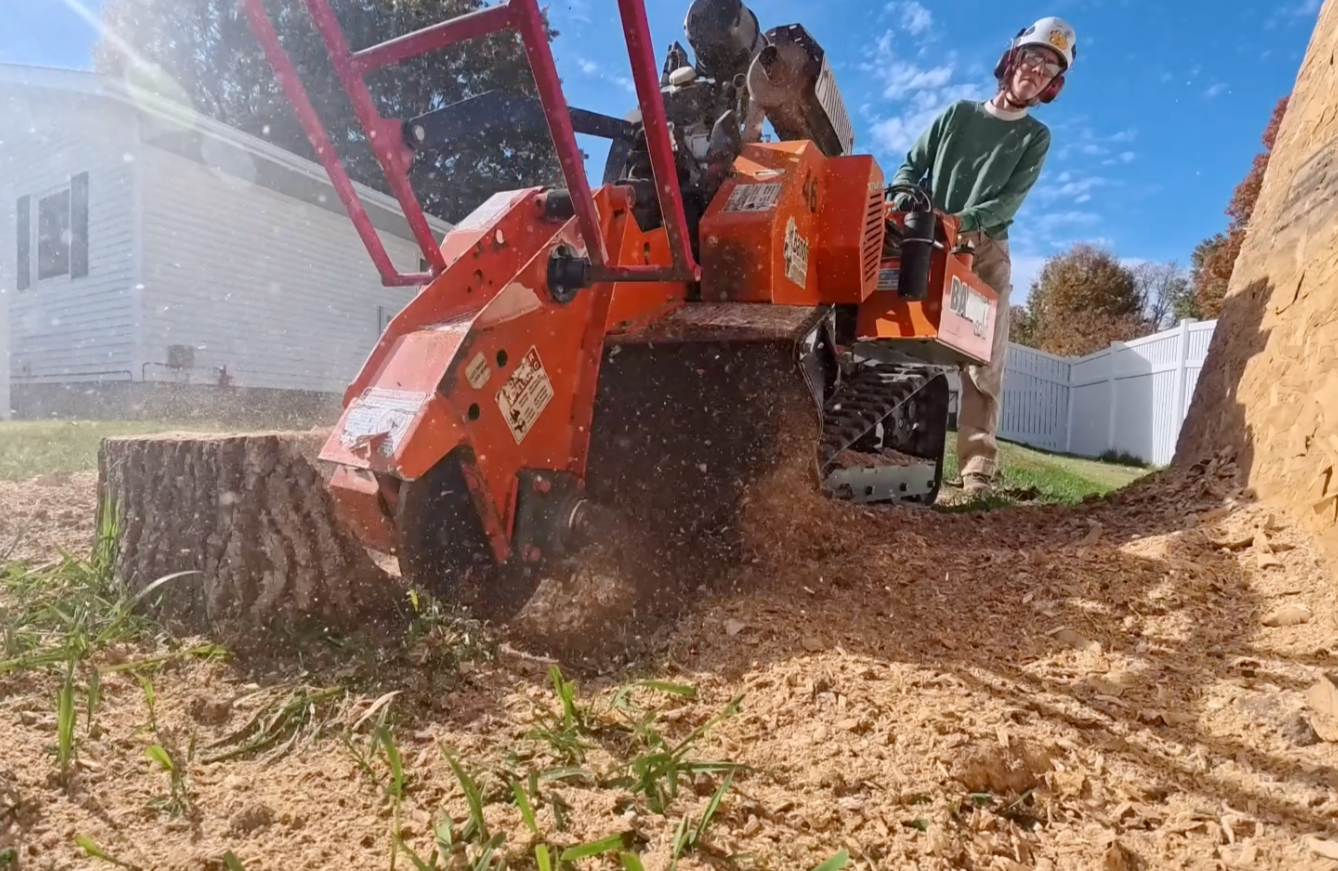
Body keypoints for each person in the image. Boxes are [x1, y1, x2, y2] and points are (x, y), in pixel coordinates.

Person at [889, 16, 1076, 494]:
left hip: (985, 246)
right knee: (888, 324)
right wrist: (909, 194)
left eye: (1049, 71)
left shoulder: (1035, 137)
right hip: (926, 234)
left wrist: (962, 223)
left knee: (984, 357)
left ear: (1051, 88)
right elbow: (912, 165)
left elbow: (1007, 202)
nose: (1036, 72)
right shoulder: (958, 115)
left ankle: (976, 469)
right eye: (1033, 59)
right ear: (1012, 60)